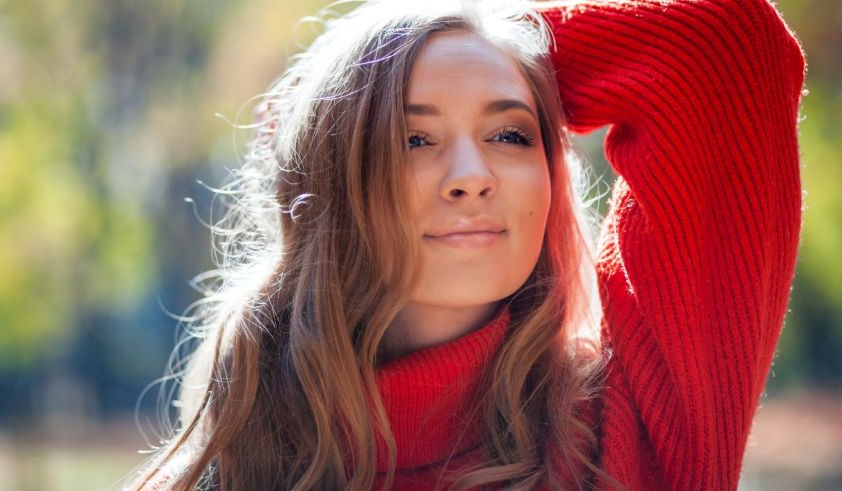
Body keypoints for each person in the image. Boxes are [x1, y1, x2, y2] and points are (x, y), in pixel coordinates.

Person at [127, 0, 806, 489]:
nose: (473, 177)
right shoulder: (240, 461)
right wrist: (345, 86)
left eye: (509, 133)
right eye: (413, 138)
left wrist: (500, 37)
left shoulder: (628, 423)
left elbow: (726, 47)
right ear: (330, 175)